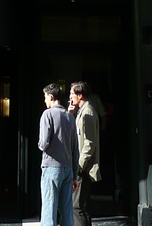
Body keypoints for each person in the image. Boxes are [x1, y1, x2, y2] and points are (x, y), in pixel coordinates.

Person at [38, 83, 78, 226]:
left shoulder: (47, 114)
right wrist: (75, 175)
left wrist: (40, 145)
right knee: (67, 210)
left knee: (49, 210)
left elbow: (44, 143)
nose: (44, 100)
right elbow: (75, 148)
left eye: (45, 97)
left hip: (51, 167)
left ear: (51, 96)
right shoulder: (70, 117)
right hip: (67, 168)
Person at [69, 83, 100, 226]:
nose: (70, 97)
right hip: (82, 167)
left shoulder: (88, 112)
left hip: (83, 168)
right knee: (83, 207)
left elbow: (89, 143)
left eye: (72, 94)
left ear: (80, 95)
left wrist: (79, 166)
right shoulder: (82, 111)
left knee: (77, 207)